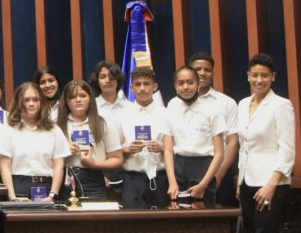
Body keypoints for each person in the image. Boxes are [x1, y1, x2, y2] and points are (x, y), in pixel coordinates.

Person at [237, 53, 296, 233]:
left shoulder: (281, 105)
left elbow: (287, 149)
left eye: (264, 76)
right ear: (248, 76)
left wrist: (272, 185)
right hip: (247, 181)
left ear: (273, 77)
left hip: (271, 182)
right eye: (254, 75)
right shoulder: (243, 104)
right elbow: (244, 147)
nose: (259, 80)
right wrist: (239, 181)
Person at [0, 82, 69, 201]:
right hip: (19, 188)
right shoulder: (9, 129)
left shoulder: (54, 130)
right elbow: (5, 167)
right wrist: (12, 197)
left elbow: (58, 166)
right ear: (19, 103)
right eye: (26, 100)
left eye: (36, 100)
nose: (31, 104)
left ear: (41, 102)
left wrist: (52, 195)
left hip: (48, 188)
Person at [165, 66, 224, 202]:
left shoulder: (212, 109)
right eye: (181, 83)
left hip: (204, 168)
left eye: (190, 82)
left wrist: (203, 185)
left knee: (204, 218)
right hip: (178, 166)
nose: (185, 87)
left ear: (198, 84)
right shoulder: (172, 106)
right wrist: (172, 182)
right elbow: (168, 150)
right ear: (175, 86)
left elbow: (220, 153)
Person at [116, 68, 173, 209]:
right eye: (138, 84)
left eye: (146, 84)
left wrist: (163, 147)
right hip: (132, 178)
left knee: (161, 226)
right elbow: (113, 148)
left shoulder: (166, 114)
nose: (142, 89)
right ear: (131, 88)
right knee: (133, 227)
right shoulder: (122, 115)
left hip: (160, 177)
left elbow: (176, 145)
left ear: (155, 87)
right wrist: (127, 149)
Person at [56, 80, 122, 200]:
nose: (78, 100)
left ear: (90, 98)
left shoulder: (104, 124)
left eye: (83, 95)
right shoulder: (57, 126)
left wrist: (95, 164)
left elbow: (117, 159)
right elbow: (47, 159)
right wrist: (64, 152)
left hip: (94, 179)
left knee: (94, 218)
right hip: (64, 179)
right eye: (72, 97)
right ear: (66, 101)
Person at [189, 51, 239, 207]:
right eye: (198, 69)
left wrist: (218, 176)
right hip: (186, 170)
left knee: (221, 224)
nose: (202, 73)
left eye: (207, 70)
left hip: (219, 169)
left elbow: (232, 142)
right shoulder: (176, 104)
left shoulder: (226, 103)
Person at [90, 60, 128, 125]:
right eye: (103, 77)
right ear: (97, 81)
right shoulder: (90, 107)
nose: (107, 81)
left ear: (118, 80)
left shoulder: (129, 107)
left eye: (112, 77)